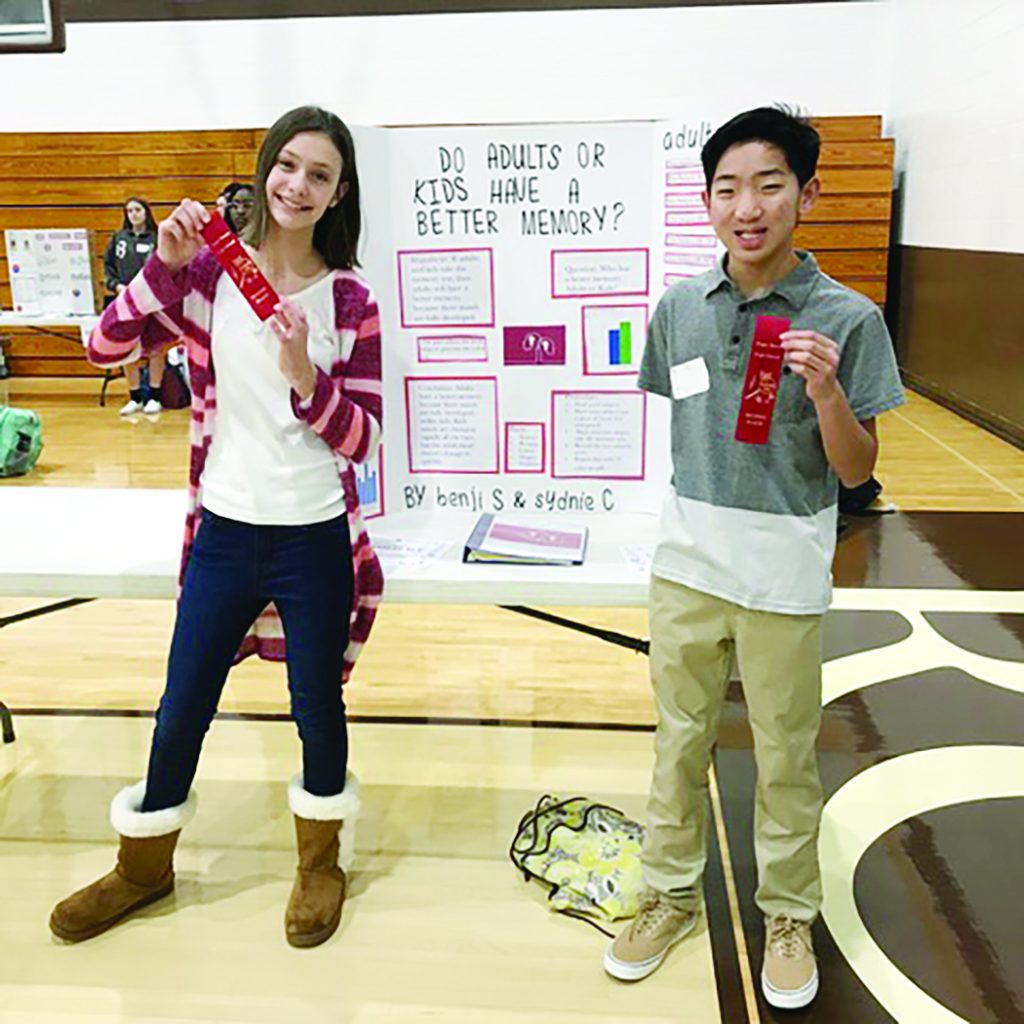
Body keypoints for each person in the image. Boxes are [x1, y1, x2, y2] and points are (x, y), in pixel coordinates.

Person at [50, 106, 383, 949]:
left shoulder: (351, 298)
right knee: (183, 702)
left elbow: (366, 439)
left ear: (339, 195)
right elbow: (101, 346)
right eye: (289, 166)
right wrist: (163, 266)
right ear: (265, 167)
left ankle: (319, 864)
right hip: (226, 532)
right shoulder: (206, 276)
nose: (298, 186)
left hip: (315, 534)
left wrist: (306, 373)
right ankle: (143, 867)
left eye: (321, 175)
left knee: (318, 705)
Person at [602, 106, 904, 1009]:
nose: (748, 205)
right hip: (687, 564)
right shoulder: (677, 309)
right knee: (677, 741)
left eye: (769, 184)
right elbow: (680, 416)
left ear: (806, 195)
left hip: (782, 573)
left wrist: (826, 393)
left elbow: (857, 471)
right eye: (728, 188)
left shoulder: (849, 320)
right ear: (706, 201)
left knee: (785, 756)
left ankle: (787, 912)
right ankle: (666, 891)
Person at [103, 197, 170, 415]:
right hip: (125, 301)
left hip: (153, 301)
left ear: (146, 212)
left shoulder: (157, 238)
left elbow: (167, 266)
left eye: (137, 209)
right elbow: (108, 268)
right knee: (128, 349)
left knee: (155, 349)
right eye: (129, 210)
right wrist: (116, 286)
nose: (133, 214)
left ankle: (155, 396)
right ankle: (135, 397)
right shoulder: (119, 238)